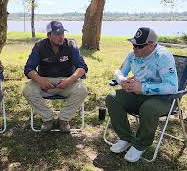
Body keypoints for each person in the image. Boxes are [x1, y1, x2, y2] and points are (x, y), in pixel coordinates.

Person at [105, 27, 178, 162]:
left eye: (139, 45)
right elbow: (119, 71)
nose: (134, 48)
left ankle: (140, 144)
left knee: (148, 108)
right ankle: (125, 138)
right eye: (133, 44)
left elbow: (172, 87)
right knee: (112, 97)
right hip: (138, 93)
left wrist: (143, 88)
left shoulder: (163, 57)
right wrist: (122, 81)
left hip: (163, 98)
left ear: (151, 45)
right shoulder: (132, 55)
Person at [23, 21, 88, 133]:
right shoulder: (39, 46)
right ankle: (48, 118)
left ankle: (63, 119)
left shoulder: (71, 45)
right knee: (28, 90)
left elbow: (82, 67)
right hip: (44, 82)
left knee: (82, 90)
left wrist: (69, 80)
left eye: (62, 33)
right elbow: (28, 69)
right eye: (57, 34)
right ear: (48, 35)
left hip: (67, 81)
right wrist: (40, 80)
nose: (61, 37)